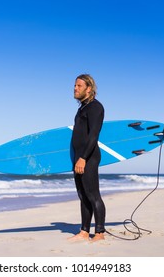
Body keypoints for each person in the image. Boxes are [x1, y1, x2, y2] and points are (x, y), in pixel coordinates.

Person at [68, 74, 106, 242]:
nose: (75, 88)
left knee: (93, 195)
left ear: (88, 89)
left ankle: (99, 233)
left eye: (79, 86)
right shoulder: (82, 108)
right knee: (83, 195)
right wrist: (76, 158)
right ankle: (84, 231)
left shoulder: (95, 107)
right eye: (74, 85)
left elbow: (93, 135)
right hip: (78, 158)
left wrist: (83, 158)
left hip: (88, 157)